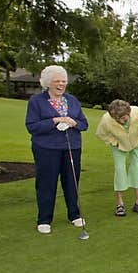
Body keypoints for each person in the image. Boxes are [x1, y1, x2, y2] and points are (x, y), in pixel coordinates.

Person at [25, 65, 89, 234]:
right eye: (57, 81)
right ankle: (44, 219)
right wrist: (55, 120)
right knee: (47, 183)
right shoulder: (36, 101)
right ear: (48, 83)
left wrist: (73, 122)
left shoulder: (72, 100)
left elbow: (84, 124)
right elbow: (32, 126)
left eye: (63, 81)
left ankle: (74, 215)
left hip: (72, 147)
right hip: (46, 148)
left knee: (72, 181)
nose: (61, 84)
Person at [95, 99, 138, 216]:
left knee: (136, 169)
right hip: (119, 144)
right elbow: (101, 134)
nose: (122, 121)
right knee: (119, 169)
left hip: (137, 142)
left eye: (124, 118)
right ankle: (120, 204)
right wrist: (114, 142)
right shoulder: (106, 119)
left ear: (128, 112)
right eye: (118, 119)